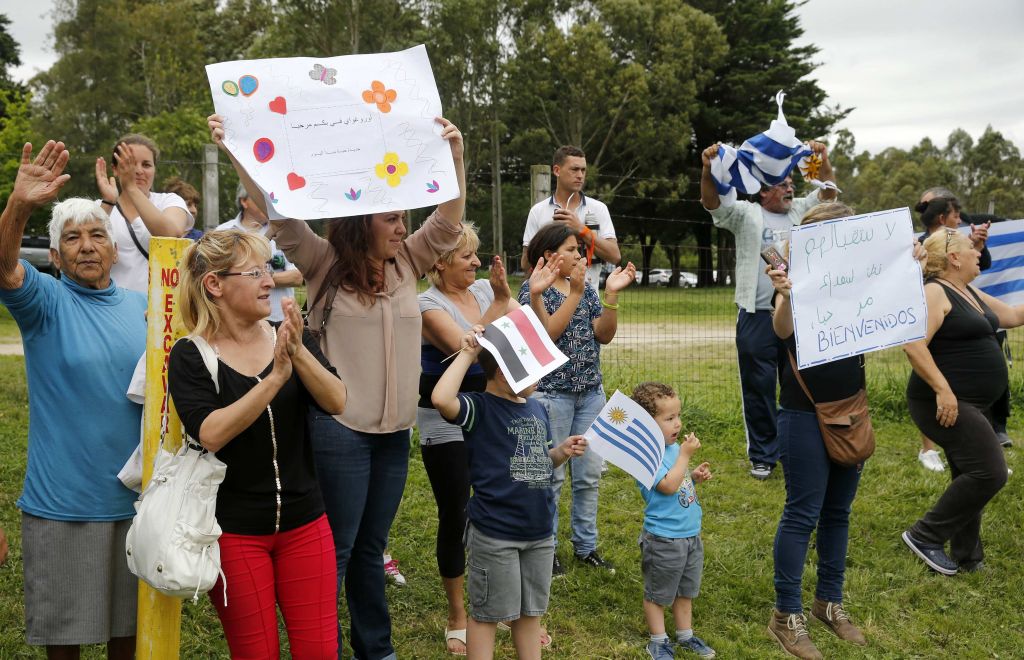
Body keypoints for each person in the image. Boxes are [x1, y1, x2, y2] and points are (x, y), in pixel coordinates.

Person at [209, 112, 466, 660]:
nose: (402, 228)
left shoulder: (408, 265)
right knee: (340, 551)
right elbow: (279, 214)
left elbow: (446, 220)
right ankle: (321, 648)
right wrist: (237, 149)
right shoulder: (324, 263)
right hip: (340, 432)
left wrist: (455, 156)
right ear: (362, 222)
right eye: (392, 220)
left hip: (395, 435)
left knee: (371, 549)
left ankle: (376, 650)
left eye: (404, 219)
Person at [168, 230, 347, 658]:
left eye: (269, 268)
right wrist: (275, 380)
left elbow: (337, 400)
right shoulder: (191, 355)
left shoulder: (286, 338)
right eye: (255, 271)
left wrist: (297, 352)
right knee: (255, 653)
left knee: (320, 651)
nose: (270, 280)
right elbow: (210, 432)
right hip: (235, 534)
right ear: (215, 285)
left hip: (306, 525)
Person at [1, 141, 145, 658]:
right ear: (56, 257)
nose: (87, 245)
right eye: (73, 238)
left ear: (113, 248)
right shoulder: (45, 301)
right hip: (63, 506)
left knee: (128, 638)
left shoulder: (146, 307)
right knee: (65, 644)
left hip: (136, 504)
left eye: (97, 235)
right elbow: (3, 267)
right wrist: (20, 206)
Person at [431, 326, 587, 660]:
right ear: (503, 372)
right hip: (496, 534)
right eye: (532, 373)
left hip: (539, 532)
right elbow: (441, 399)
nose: (539, 381)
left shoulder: (536, 409)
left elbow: (541, 461)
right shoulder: (479, 409)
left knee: (531, 613)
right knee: (487, 614)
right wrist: (468, 354)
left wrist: (561, 451)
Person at [765, 202, 875, 660]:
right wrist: (787, 294)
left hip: (851, 409)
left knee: (839, 513)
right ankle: (786, 616)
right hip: (803, 413)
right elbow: (781, 328)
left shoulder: (862, 278)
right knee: (803, 513)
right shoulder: (791, 279)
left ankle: (829, 603)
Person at [699, 140, 838, 480]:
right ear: (763, 192)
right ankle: (763, 455)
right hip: (756, 315)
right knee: (758, 386)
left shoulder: (800, 211)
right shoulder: (746, 213)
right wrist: (707, 169)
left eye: (792, 182)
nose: (791, 186)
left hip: (796, 314)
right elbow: (711, 202)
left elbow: (830, 195)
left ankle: (798, 448)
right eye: (783, 184)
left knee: (799, 384)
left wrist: (822, 157)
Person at [418, 223, 521, 655]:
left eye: (477, 256)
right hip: (445, 418)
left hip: (493, 414)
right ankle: (459, 614)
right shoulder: (426, 303)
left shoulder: (482, 291)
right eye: (467, 257)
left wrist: (506, 297)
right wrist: (498, 302)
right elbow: (466, 344)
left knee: (501, 506)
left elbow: (518, 327)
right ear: (439, 263)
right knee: (457, 512)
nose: (478, 263)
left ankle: (507, 610)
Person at [901, 228, 1023, 576]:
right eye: (971, 248)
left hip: (968, 400)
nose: (977, 253)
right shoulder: (935, 292)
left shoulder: (968, 292)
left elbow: (1013, 316)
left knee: (969, 471)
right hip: (941, 401)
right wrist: (943, 389)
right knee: (991, 471)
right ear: (954, 257)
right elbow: (913, 345)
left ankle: (968, 556)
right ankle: (924, 535)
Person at [517, 222, 636, 575]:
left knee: (587, 475)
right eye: (571, 249)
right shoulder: (532, 292)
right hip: (552, 395)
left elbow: (604, 334)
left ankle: (586, 546)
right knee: (551, 477)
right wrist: (576, 293)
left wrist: (610, 296)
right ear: (550, 256)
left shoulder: (582, 288)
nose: (579, 255)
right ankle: (546, 548)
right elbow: (548, 336)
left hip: (589, 393)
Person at [631, 382, 715, 660]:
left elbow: (677, 483)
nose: (677, 424)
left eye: (678, 416)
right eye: (669, 419)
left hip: (689, 535)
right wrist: (686, 456)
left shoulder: (673, 448)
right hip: (664, 538)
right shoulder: (646, 455)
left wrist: (693, 477)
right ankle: (657, 640)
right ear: (647, 425)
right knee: (658, 592)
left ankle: (685, 635)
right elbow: (666, 486)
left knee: (685, 590)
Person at [95, 134, 195, 292]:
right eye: (131, 164)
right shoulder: (99, 208)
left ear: (155, 169)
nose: (139, 171)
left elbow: (170, 235)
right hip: (111, 308)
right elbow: (83, 245)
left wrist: (131, 188)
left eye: (146, 165)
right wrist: (108, 202)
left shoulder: (169, 201)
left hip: (158, 311)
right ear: (115, 169)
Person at [521, 145, 620, 289]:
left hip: (588, 298)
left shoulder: (598, 209)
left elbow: (615, 256)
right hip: (549, 298)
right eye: (574, 169)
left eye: (583, 170)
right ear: (557, 170)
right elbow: (525, 263)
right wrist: (550, 239)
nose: (580, 175)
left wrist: (582, 230)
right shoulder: (538, 211)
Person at [215, 183, 303, 322]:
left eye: (269, 197)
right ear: (244, 201)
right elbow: (215, 278)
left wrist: (248, 277)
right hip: (234, 324)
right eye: (261, 197)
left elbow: (297, 277)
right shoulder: (221, 233)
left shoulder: (285, 231)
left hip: (280, 321)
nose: (267, 203)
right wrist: (267, 276)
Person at [162, 176, 204, 240]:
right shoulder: (154, 232)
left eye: (195, 206)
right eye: (188, 205)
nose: (194, 210)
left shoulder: (200, 239)